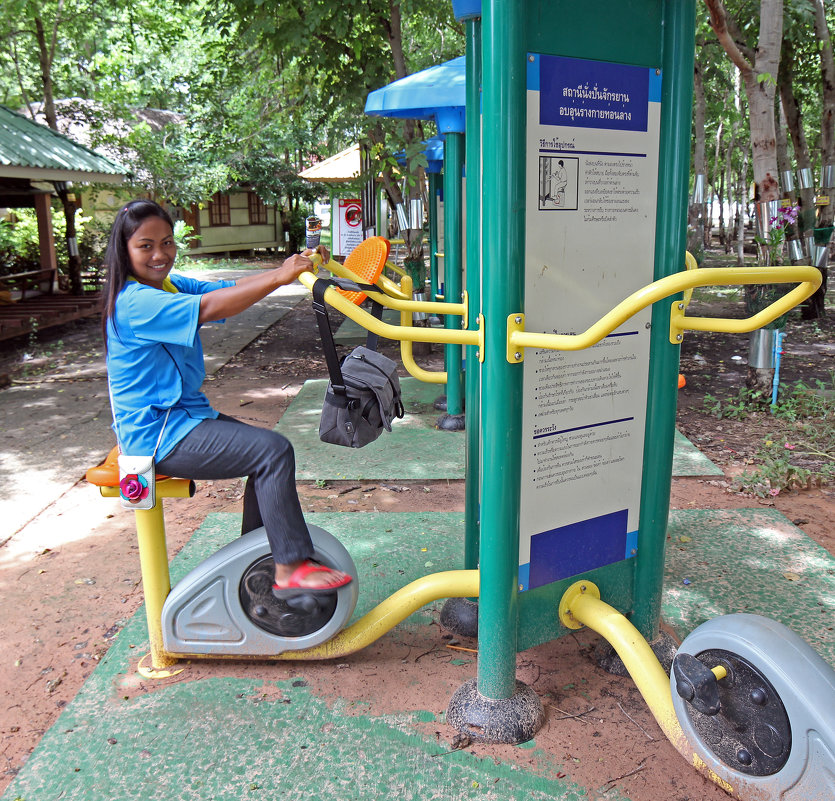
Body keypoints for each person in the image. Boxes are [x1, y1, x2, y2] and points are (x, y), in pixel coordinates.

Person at [102, 198, 351, 598]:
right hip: (157, 435)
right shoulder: (135, 302)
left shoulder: (165, 285)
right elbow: (211, 306)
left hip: (182, 418)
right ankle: (288, 567)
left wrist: (289, 268)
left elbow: (227, 288)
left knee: (266, 457)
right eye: (145, 246)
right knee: (271, 453)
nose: (160, 254)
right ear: (124, 250)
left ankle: (260, 560)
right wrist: (279, 277)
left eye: (166, 242)